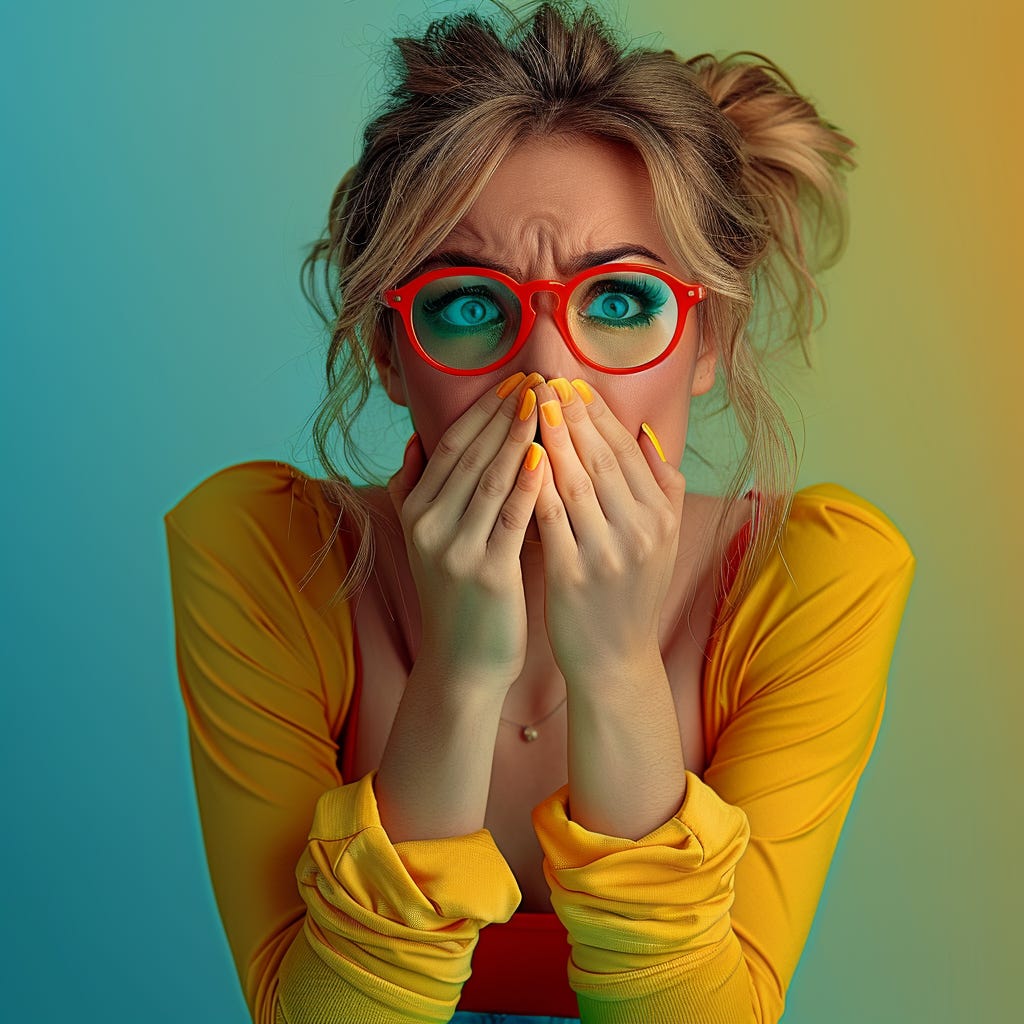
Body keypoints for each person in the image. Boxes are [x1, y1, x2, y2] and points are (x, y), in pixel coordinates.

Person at [162, 3, 916, 1022]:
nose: (545, 375)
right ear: (389, 352)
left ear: (704, 343)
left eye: (617, 303)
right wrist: (461, 672)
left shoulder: (812, 578)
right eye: (470, 305)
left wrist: (614, 670)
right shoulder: (266, 554)